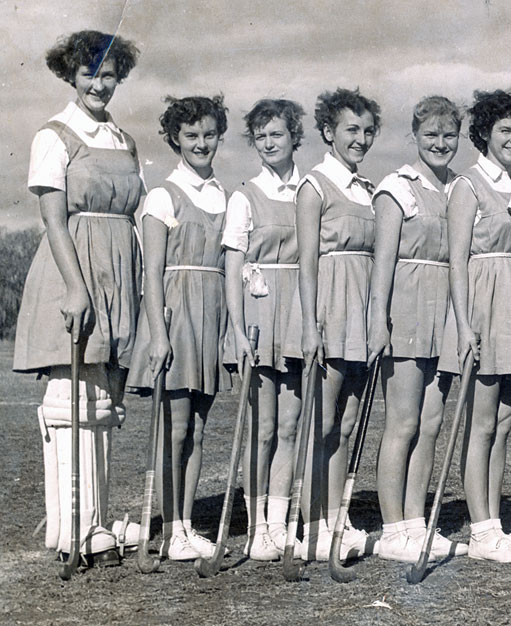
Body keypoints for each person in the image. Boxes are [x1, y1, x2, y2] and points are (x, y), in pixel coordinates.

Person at [16, 30, 142, 568]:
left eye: (109, 74)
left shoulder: (123, 138)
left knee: (104, 400)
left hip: (118, 268)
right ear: (71, 74)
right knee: (71, 398)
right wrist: (76, 287)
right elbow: (53, 218)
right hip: (75, 268)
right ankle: (71, 526)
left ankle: (96, 518)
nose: (100, 84)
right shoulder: (54, 134)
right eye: (90, 73)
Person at [127, 95, 231, 561]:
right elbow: (151, 274)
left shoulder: (225, 195)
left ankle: (185, 525)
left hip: (211, 315)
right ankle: (168, 528)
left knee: (200, 430)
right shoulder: (163, 195)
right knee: (176, 427)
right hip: (174, 316)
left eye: (209, 134)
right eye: (191, 136)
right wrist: (159, 334)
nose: (201, 143)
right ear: (174, 139)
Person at [369, 96, 468, 563]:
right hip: (406, 307)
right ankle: (392, 529)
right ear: (415, 136)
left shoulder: (458, 188)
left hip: (444, 312)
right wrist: (378, 321)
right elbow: (382, 263)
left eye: (449, 135)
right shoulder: (397, 186)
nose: (441, 144)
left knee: (430, 424)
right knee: (403, 422)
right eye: (431, 135)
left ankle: (415, 521)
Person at [440, 89, 511, 563]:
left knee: (503, 422)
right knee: (480, 424)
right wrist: (463, 324)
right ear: (485, 132)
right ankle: (480, 530)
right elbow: (457, 261)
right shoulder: (468, 184)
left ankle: (494, 522)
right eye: (505, 130)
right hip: (481, 304)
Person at [287, 88, 380, 562]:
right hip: (328, 308)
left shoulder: (367, 189)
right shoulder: (314, 186)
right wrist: (309, 325)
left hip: (361, 312)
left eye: (367, 131)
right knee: (320, 423)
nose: (360, 139)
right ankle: (311, 526)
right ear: (328, 132)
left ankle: (337, 519)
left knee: (346, 422)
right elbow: (306, 263)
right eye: (351, 130)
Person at [222, 99, 306, 561]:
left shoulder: (309, 190)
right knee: (265, 426)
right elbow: (233, 266)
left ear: (295, 136)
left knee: (291, 426)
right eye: (261, 137)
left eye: (277, 134)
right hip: (258, 314)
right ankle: (257, 529)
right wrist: (237, 330)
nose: (270, 143)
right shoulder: (245, 195)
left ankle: (279, 523)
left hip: (297, 312)